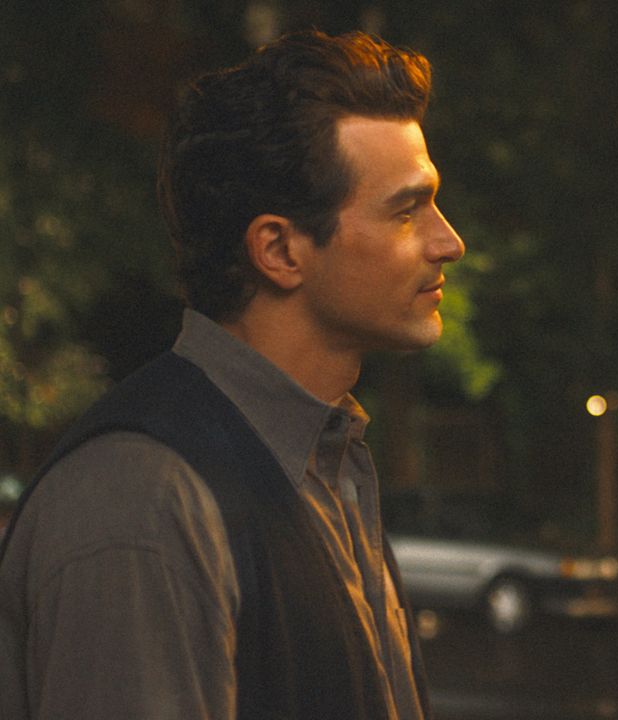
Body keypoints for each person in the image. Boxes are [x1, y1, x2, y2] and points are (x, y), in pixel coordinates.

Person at [0, 30, 462, 720]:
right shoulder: (147, 498)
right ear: (279, 249)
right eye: (405, 211)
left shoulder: (323, 465)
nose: (448, 241)